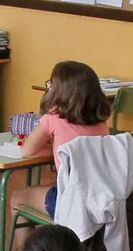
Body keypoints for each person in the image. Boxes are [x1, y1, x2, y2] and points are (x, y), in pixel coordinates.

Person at [12, 60, 112, 219]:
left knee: (18, 197)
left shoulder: (52, 118)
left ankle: (27, 245)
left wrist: (56, 150)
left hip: (72, 201)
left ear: (58, 91)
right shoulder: (100, 119)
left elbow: (26, 151)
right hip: (102, 198)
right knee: (49, 189)